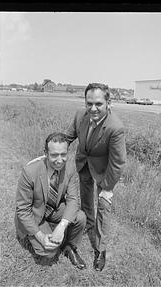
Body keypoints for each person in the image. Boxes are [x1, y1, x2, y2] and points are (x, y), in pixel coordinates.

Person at [65, 83, 126, 271]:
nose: (93, 108)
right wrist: (53, 152)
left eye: (98, 103)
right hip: (83, 163)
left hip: (104, 169)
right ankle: (88, 223)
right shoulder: (79, 115)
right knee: (85, 201)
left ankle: (100, 250)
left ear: (108, 103)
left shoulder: (115, 127)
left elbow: (118, 163)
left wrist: (107, 189)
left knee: (103, 208)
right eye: (89, 103)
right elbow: (68, 137)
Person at [14, 132, 87, 270]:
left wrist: (62, 226)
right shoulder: (29, 172)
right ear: (46, 153)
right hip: (34, 214)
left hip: (54, 209)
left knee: (80, 217)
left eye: (63, 154)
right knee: (49, 252)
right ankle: (29, 238)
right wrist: (40, 236)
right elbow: (23, 210)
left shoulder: (70, 169)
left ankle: (69, 247)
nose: (59, 160)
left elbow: (73, 200)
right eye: (54, 155)